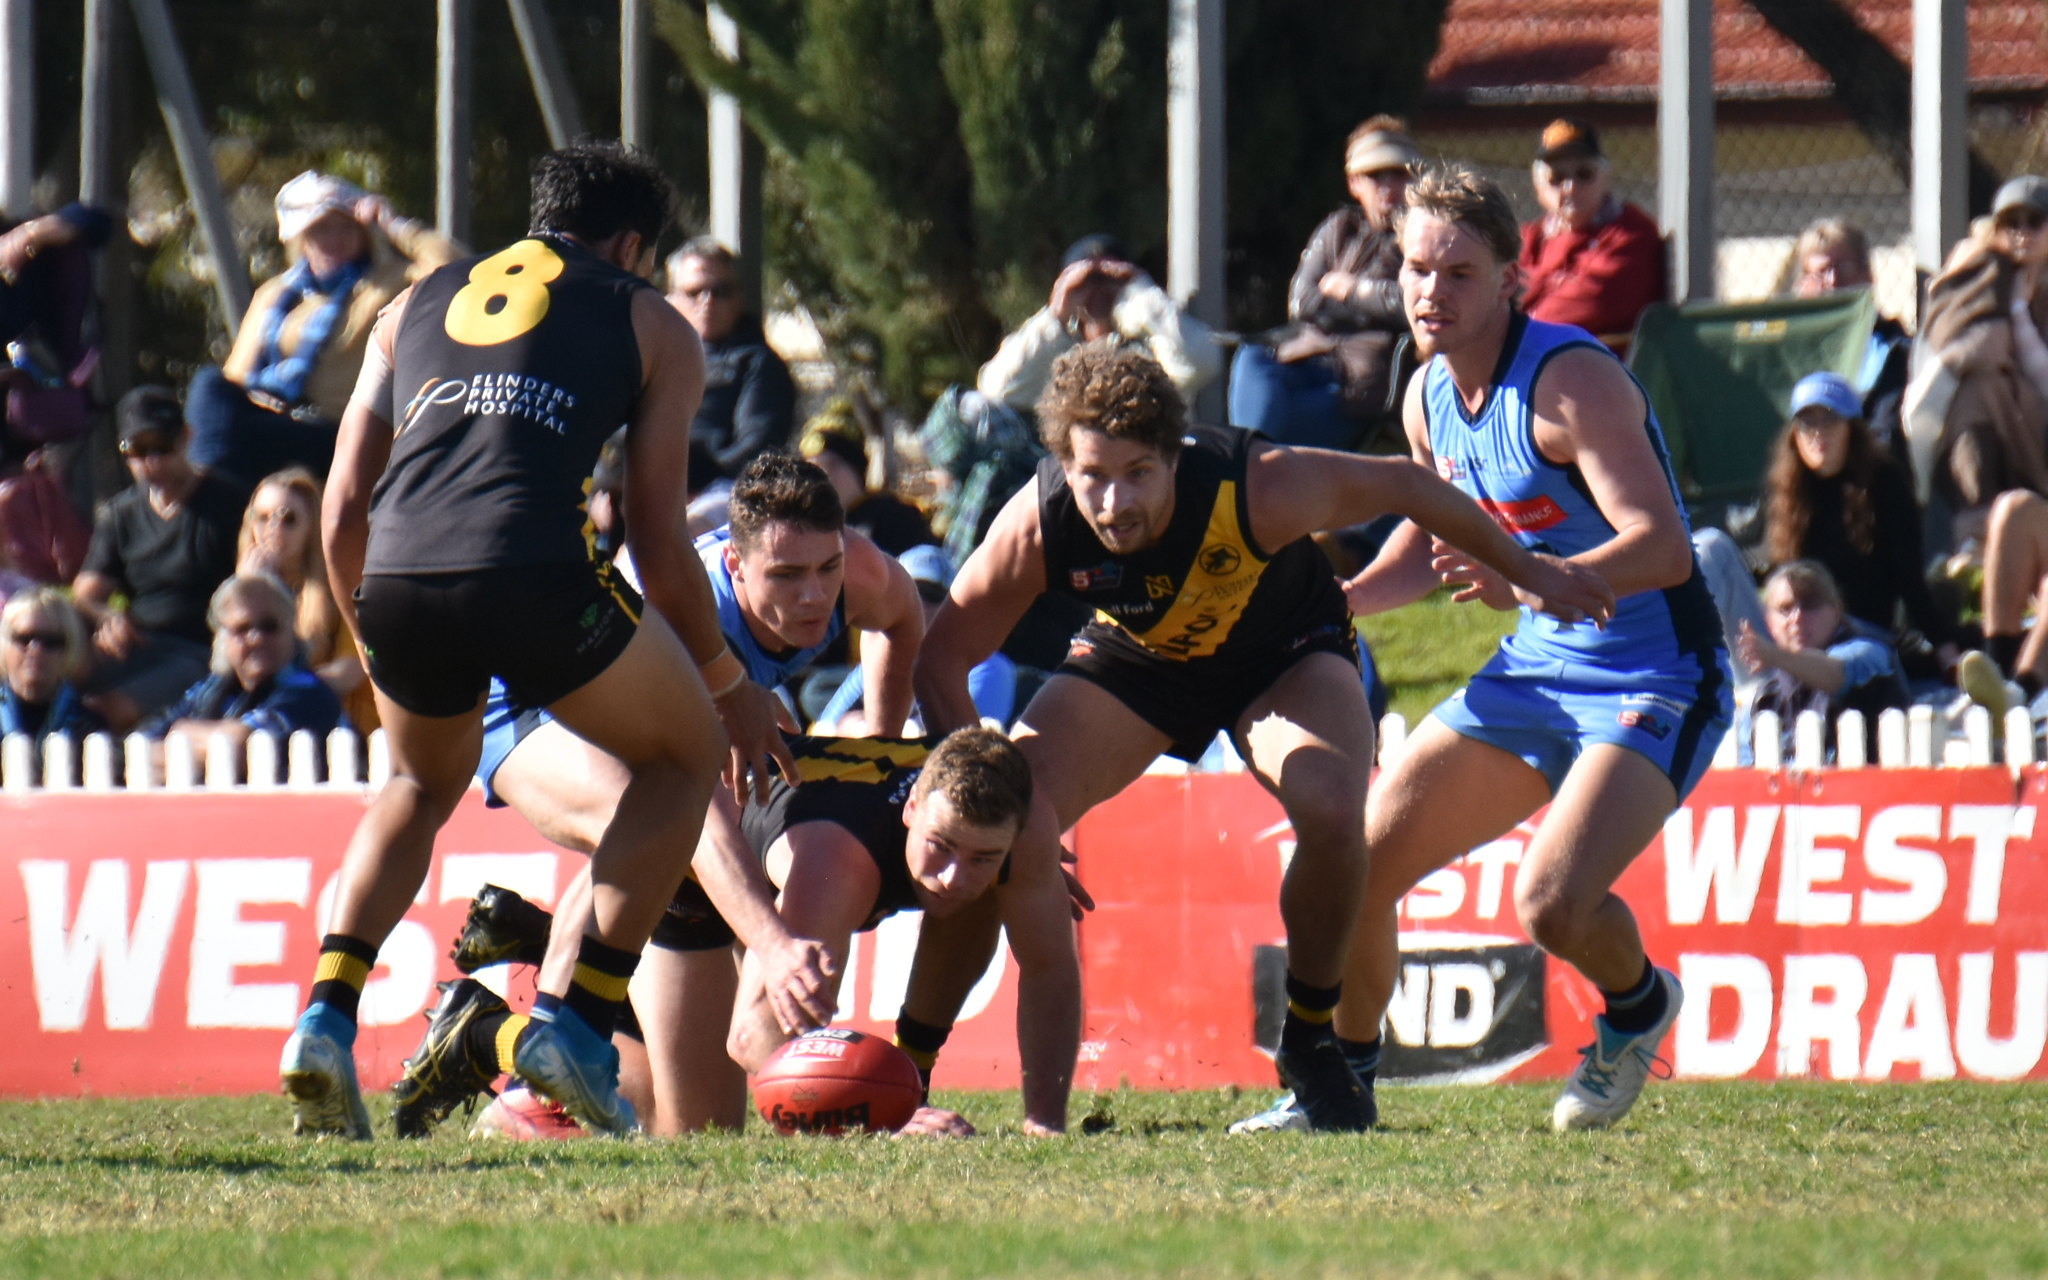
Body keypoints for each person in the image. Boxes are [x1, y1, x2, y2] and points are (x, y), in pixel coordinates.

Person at [910, 340, 1612, 1135]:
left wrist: (1535, 572)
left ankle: (1312, 1039)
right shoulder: (1037, 525)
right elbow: (940, 665)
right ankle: (908, 1071)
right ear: (1063, 466)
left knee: (1331, 806)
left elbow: (1411, 485)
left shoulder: (1260, 485)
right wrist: (986, 813)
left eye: (1138, 472)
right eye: (1093, 476)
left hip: (1282, 654)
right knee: (987, 831)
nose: (1113, 504)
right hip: (1140, 664)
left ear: (1174, 458)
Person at [281, 141, 787, 1142]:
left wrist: (370, 632)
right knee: (683, 756)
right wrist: (730, 684)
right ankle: (576, 1020)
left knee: (417, 786)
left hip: (393, 576)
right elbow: (655, 533)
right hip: (533, 569)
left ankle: (323, 1019)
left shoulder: (411, 300)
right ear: (635, 245)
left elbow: (341, 505)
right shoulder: (654, 320)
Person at [1236, 164, 1727, 1136]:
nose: (1429, 291)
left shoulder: (1569, 378)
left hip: (1653, 671)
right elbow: (1427, 542)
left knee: (1547, 902)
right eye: (1415, 268)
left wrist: (1534, 575)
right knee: (1361, 861)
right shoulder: (1424, 395)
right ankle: (1339, 1090)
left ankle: (1634, 1006)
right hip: (1536, 667)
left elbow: (1664, 546)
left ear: (1511, 277)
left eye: (1457, 272)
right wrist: (1329, 603)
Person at [392, 451, 922, 1138]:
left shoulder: (857, 571)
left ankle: (533, 971)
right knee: (655, 821)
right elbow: (695, 813)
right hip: (530, 705)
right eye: (786, 577)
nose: (815, 596)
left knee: (698, 1129)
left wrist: (876, 744)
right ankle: (515, 1044)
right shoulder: (681, 616)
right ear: (735, 567)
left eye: (826, 570)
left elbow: (906, 618)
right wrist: (775, 946)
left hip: (670, 718)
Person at [186, 172, 459, 484]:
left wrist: (392, 223)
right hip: (268, 416)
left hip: (333, 432)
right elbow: (234, 378)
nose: (335, 239)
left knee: (233, 447)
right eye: (321, 229)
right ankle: (209, 494)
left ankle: (207, 501)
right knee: (209, 384)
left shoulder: (388, 282)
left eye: (346, 227)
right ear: (300, 238)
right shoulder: (277, 293)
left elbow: (454, 272)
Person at [1230, 115, 1421, 450]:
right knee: (1250, 357)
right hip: (1309, 364)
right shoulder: (1338, 228)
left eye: (1398, 173)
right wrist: (1371, 308)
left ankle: (1244, 474)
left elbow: (1412, 301)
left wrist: (1351, 289)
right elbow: (1300, 302)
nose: (1388, 185)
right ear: (1353, 183)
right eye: (1375, 175)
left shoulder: (1422, 238)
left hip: (1357, 392)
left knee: (1272, 426)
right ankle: (1250, 467)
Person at [73, 386, 250, 732]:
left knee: (108, 706)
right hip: (136, 645)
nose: (151, 462)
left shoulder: (227, 503)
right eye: (137, 450)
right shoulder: (120, 514)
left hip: (198, 652)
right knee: (62, 674)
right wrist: (108, 616)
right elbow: (85, 593)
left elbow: (249, 585)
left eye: (162, 447)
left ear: (186, 438)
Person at [1760, 373, 1957, 671]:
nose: (1817, 433)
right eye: (1807, 423)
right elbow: (1775, 574)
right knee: (1712, 548)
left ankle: (1794, 674)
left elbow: (1910, 581)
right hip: (1793, 632)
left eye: (1829, 420)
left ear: (1852, 429)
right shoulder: (1786, 492)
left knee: (1845, 664)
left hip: (1857, 637)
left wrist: (1946, 649)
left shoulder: (1886, 484)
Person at [1905, 175, 2048, 536]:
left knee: (1984, 390)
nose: (2022, 233)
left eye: (2035, 221)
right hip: (1971, 414)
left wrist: (2016, 310)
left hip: (2035, 415)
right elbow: (1950, 336)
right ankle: (1976, 523)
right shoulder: (1979, 268)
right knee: (1978, 391)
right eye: (2010, 223)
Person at [976, 234, 1221, 416]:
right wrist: (1055, 316)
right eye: (1084, 281)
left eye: (1110, 278)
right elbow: (997, 390)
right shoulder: (1049, 348)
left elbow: (1201, 364)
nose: (1097, 290)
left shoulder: (1155, 343)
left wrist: (1141, 292)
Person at [142, 572, 346, 782]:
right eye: (242, 628)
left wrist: (181, 732)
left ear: (291, 631)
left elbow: (239, 746)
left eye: (269, 626)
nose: (256, 638)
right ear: (221, 637)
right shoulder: (212, 687)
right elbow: (142, 746)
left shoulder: (308, 691)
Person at [815, 544, 1016, 733]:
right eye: (912, 594)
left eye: (933, 596)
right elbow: (824, 728)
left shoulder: (988, 666)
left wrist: (862, 728)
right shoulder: (880, 656)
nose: (921, 606)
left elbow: (963, 739)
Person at [235, 467, 375, 733]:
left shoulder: (342, 584)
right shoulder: (243, 583)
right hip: (265, 723)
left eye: (288, 519)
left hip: (336, 725)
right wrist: (250, 594)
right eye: (263, 518)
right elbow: (231, 668)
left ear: (311, 527)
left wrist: (283, 689)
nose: (274, 528)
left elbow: (351, 670)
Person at [1517, 118, 1666, 355]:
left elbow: (1582, 308)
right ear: (1539, 187)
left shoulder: (1630, 234)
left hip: (1600, 372)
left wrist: (1523, 309)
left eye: (1584, 174)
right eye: (1557, 177)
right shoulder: (1531, 237)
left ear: (1605, 179)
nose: (1570, 187)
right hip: (1537, 362)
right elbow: (1494, 297)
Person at [1737, 561, 1908, 764]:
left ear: (1837, 610)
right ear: (1769, 622)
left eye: (1810, 605)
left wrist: (1775, 656)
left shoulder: (1870, 652)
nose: (1798, 617)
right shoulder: (1765, 697)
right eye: (1785, 609)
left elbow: (1837, 674)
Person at [667, 238, 797, 482]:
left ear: (739, 298)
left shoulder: (758, 364)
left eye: (720, 291)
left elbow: (756, 450)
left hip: (718, 493)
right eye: (694, 292)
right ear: (671, 299)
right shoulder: (650, 360)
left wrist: (690, 481)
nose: (707, 302)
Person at [800, 408, 937, 557]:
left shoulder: (894, 517)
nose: (825, 476)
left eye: (833, 465)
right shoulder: (804, 529)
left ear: (855, 469)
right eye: (815, 470)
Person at [0, 588, 104, 777]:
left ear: (68, 650)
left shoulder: (89, 729)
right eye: (24, 638)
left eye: (50, 641)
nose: (36, 650)